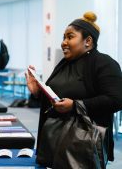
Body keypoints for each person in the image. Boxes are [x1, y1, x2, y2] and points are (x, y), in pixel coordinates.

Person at [25, 12, 122, 165]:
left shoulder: (105, 63)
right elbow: (56, 98)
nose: (63, 42)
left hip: (84, 146)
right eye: (63, 37)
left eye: (70, 37)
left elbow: (116, 99)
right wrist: (37, 93)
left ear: (88, 41)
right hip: (53, 140)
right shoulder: (64, 64)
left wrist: (75, 106)